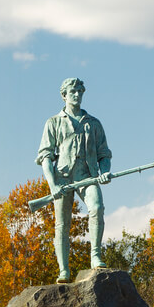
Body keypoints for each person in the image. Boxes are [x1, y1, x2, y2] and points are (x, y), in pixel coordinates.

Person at [36, 77, 112, 282]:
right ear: (64, 95)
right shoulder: (53, 122)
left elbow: (104, 154)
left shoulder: (94, 123)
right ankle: (64, 270)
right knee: (62, 224)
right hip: (62, 178)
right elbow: (45, 156)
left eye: (80, 91)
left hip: (87, 175)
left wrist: (104, 171)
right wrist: (52, 185)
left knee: (96, 207)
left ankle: (95, 256)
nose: (77, 95)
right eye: (73, 92)